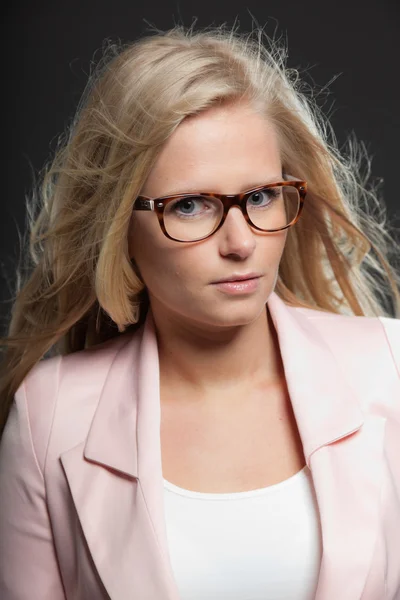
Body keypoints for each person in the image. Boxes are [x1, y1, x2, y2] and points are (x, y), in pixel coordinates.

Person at [0, 22, 399, 600]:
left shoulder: (388, 367)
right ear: (117, 222)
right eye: (190, 205)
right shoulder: (48, 416)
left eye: (261, 196)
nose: (241, 242)